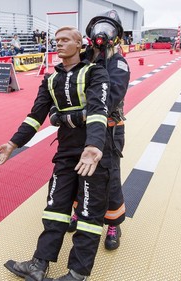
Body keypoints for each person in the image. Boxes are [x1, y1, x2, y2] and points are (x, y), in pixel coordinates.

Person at [0, 26, 111, 281]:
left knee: (90, 213)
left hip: (93, 152)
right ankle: (38, 264)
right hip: (66, 151)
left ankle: (77, 274)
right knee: (55, 207)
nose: (58, 44)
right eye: (56, 40)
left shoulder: (96, 72)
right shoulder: (49, 79)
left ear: (80, 44)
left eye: (65, 40)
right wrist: (13, 143)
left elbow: (98, 109)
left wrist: (94, 147)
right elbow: (35, 117)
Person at [67, 10, 130, 252]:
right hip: (80, 129)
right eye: (99, 28)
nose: (103, 33)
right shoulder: (82, 58)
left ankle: (113, 223)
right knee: (78, 171)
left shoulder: (118, 63)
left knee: (109, 177)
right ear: (90, 33)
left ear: (116, 36)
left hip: (108, 130)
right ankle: (77, 211)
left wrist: (81, 114)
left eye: (110, 29)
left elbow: (112, 97)